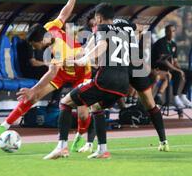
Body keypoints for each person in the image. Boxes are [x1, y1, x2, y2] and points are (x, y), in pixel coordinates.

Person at [0, 0, 93, 138]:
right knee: (34, 97)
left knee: (83, 113)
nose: (35, 47)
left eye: (34, 44)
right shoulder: (49, 28)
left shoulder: (59, 50)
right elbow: (63, 15)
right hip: (64, 71)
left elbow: (51, 73)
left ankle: (80, 137)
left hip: (81, 73)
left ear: (40, 41)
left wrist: (33, 89)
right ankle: (5, 125)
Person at [43, 3, 132, 160]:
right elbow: (89, 49)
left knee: (65, 102)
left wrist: (84, 60)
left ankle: (61, 147)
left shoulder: (102, 29)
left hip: (106, 80)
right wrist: (75, 58)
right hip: (123, 83)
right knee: (96, 107)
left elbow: (101, 46)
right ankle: (102, 150)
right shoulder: (123, 32)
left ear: (98, 18)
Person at [71, 18, 170, 153]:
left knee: (96, 105)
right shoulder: (127, 26)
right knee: (150, 105)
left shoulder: (105, 29)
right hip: (136, 65)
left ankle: (90, 144)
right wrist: (136, 38)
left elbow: (94, 50)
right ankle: (164, 141)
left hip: (120, 68)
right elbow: (143, 27)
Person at [152, 25, 192, 109]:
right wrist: (178, 71)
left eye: (174, 31)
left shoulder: (173, 44)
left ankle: (183, 95)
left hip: (170, 68)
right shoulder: (161, 43)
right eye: (170, 31)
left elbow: (175, 61)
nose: (172, 33)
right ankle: (175, 97)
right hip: (161, 68)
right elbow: (164, 61)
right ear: (166, 32)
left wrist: (180, 69)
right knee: (177, 74)